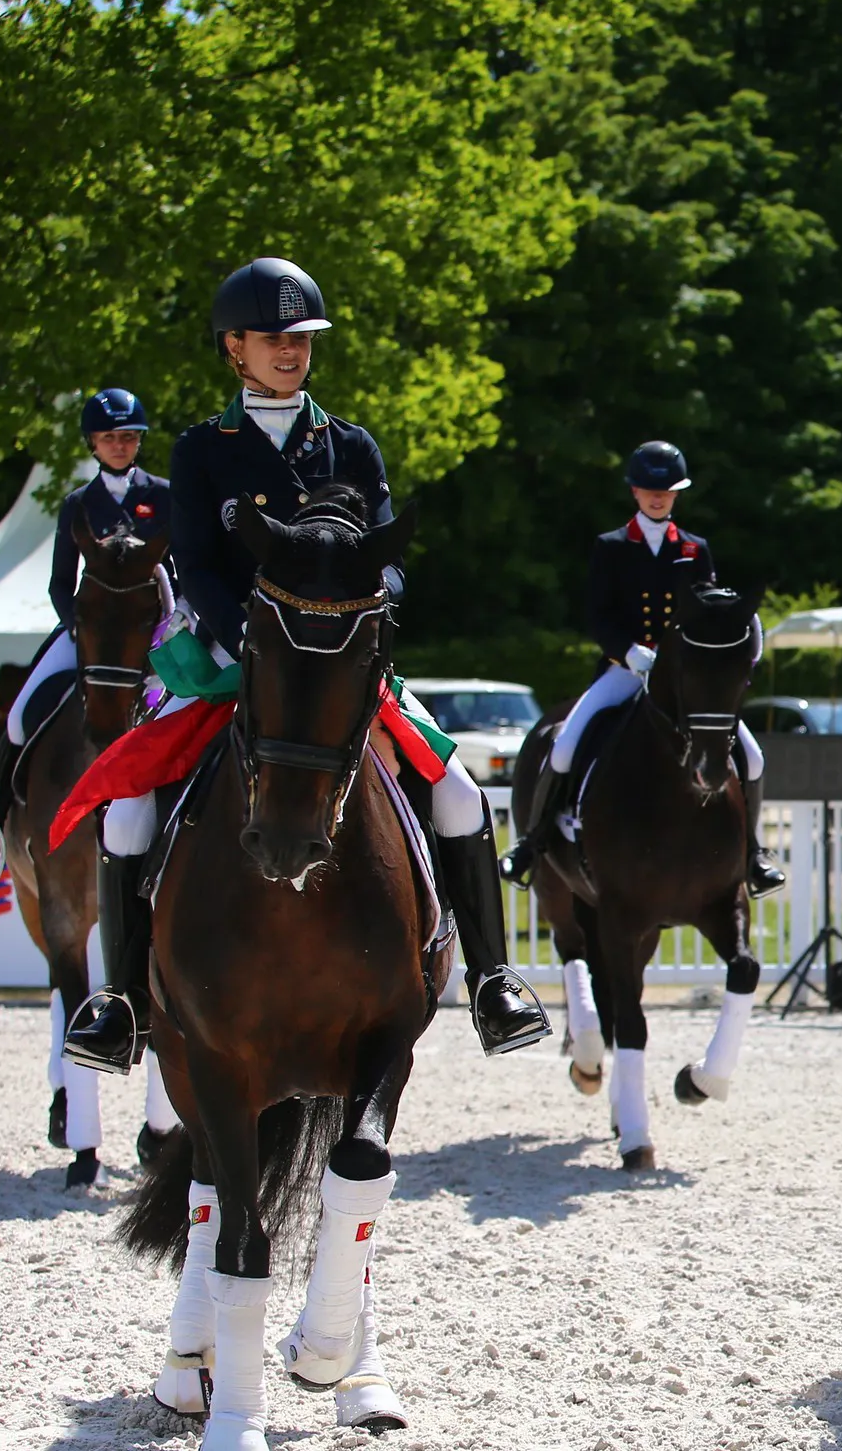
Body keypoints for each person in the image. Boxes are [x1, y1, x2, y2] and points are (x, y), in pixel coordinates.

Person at [62, 257, 549, 1073]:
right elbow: (199, 566)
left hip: (341, 658)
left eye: (301, 338)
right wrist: (254, 636)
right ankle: (120, 1003)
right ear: (235, 348)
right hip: (235, 658)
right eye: (273, 339)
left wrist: (366, 603)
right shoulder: (203, 450)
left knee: (459, 794)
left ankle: (494, 981)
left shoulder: (350, 446)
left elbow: (392, 564)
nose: (290, 352)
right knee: (131, 805)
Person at [495, 440, 784, 896]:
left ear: (676, 495)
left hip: (682, 678)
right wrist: (629, 651)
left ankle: (753, 854)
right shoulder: (610, 547)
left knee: (752, 755)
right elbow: (599, 612)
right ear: (634, 491)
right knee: (567, 743)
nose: (657, 496)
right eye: (649, 489)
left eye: (666, 490)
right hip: (625, 668)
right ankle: (533, 842)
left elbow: (707, 610)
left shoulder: (694, 548)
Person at [0, 389, 171, 875]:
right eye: (110, 437)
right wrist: (76, 627)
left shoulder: (163, 496)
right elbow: (58, 583)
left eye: (129, 437)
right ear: (93, 443)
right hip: (88, 633)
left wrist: (174, 623)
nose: (120, 445)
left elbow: (177, 570)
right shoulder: (78, 503)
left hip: (153, 634)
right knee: (18, 717)